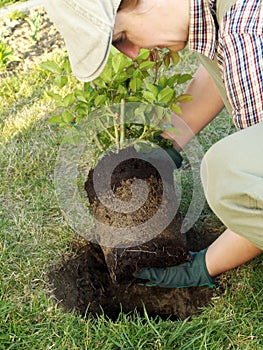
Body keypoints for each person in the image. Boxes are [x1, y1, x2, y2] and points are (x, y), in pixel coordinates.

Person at [45, 0, 263, 288]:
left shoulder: (245, 35)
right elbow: (220, 71)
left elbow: (255, 184)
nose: (133, 54)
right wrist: (164, 146)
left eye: (123, 38)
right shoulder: (226, 16)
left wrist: (201, 266)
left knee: (227, 171)